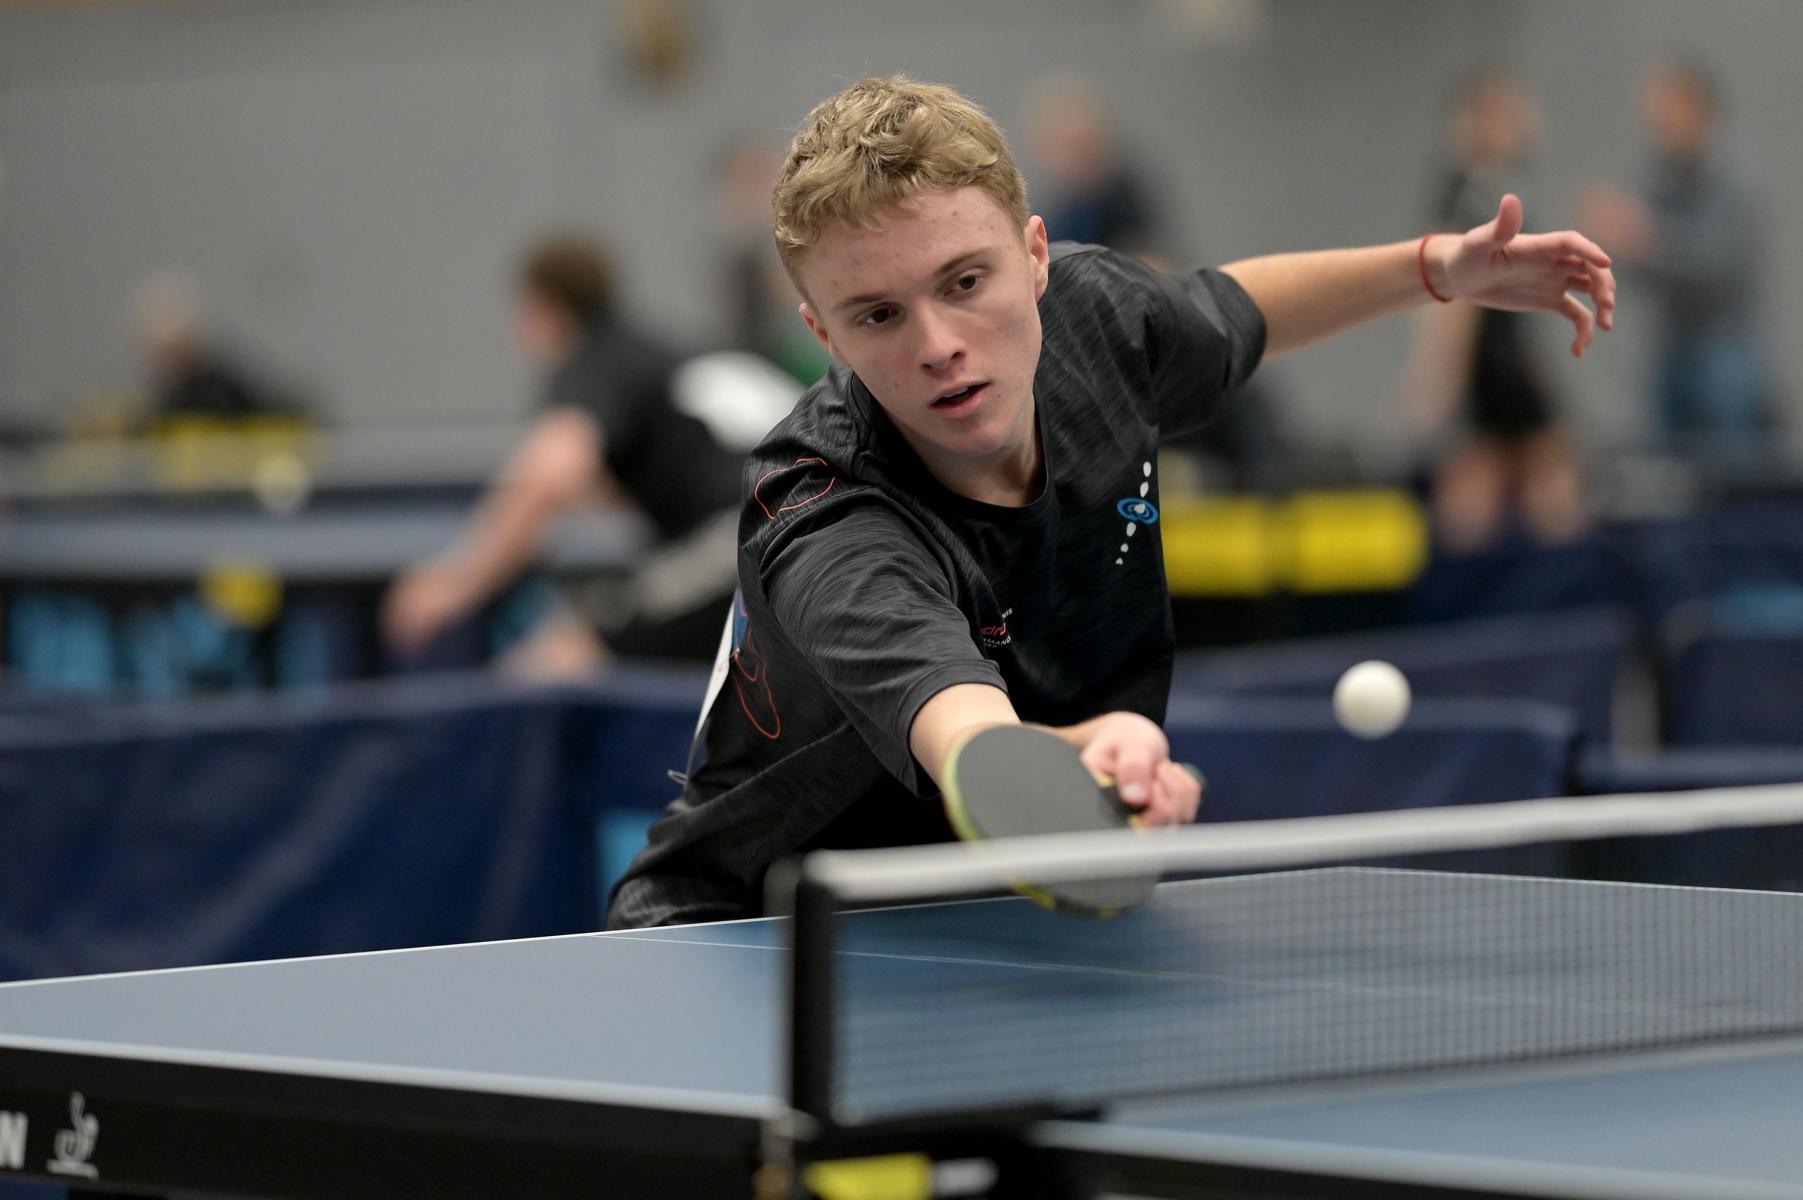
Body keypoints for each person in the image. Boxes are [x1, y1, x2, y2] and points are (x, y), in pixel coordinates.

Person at [607, 77, 1614, 929]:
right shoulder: (823, 514)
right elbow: (970, 741)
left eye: (965, 281)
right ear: (822, 334)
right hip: (766, 938)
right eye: (877, 314)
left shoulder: (1094, 320)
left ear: (1036, 257)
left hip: (997, 916)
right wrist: (1082, 754)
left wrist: (1438, 269)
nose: (938, 343)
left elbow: (1236, 309)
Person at [383, 234, 743, 671]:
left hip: (746, 535)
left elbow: (552, 470)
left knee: (557, 661)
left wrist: (455, 583)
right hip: (777, 525)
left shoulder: (591, 360)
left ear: (543, 310)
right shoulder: (644, 350)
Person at [1403, 68, 1585, 551]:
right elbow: (1448, 296)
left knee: (1516, 474)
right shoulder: (1471, 196)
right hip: (1491, 363)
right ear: (1481, 121)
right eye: (1509, 114)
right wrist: (1439, 376)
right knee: (1523, 477)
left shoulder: (1493, 185)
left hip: (1505, 356)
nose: (1524, 124)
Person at [1584, 59, 1770, 464]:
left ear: (1696, 109)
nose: (1658, 122)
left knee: (1732, 474)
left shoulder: (1735, 178)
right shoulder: (1659, 177)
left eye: (1667, 108)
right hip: (1671, 348)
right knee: (1669, 474)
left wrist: (1647, 239)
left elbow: (1715, 265)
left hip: (1723, 350)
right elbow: (1643, 267)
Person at [131, 272, 298, 425]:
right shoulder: (171, 396)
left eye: (173, 349)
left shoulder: (222, 393)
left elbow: (281, 411)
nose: (167, 362)